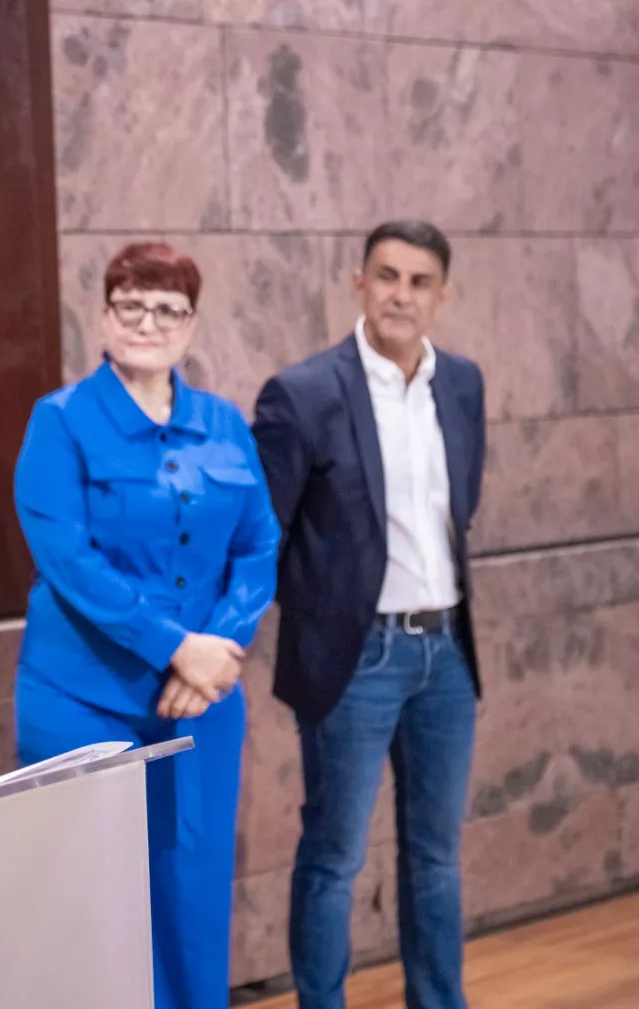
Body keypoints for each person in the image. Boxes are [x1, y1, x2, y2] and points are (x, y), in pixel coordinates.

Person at [12, 242, 280, 1009]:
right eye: (131, 304)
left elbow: (259, 544)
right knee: (93, 899)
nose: (148, 321)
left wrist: (220, 649)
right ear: (104, 316)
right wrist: (178, 647)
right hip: (81, 699)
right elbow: (68, 558)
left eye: (168, 309)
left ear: (190, 324)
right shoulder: (60, 420)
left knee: (194, 887)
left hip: (203, 699)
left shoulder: (223, 423)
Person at [253, 221, 486, 1009]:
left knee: (436, 857)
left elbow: (461, 506)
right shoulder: (304, 393)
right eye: (386, 276)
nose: (401, 295)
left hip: (446, 652)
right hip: (356, 661)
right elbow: (265, 533)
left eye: (420, 282)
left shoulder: (463, 383)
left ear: (442, 294)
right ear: (358, 282)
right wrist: (323, 621)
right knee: (335, 856)